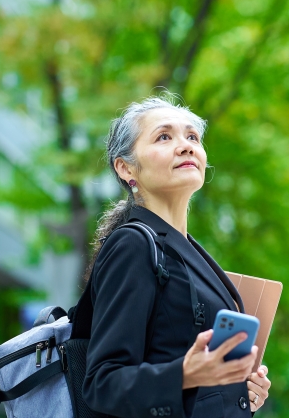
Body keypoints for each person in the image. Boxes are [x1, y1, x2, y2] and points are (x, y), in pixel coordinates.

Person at [81, 95, 272, 417]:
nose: (185, 146)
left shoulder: (191, 253)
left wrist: (240, 390)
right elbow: (102, 384)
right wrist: (186, 374)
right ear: (126, 167)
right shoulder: (133, 245)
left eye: (192, 137)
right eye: (164, 136)